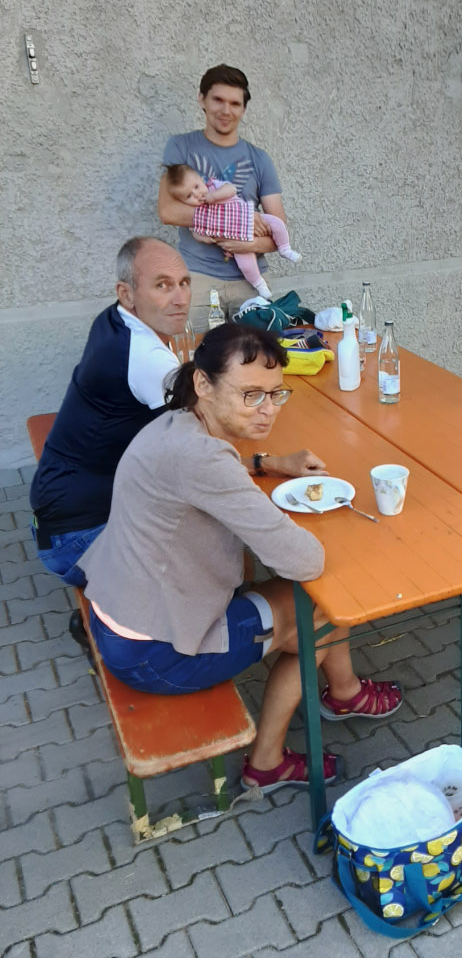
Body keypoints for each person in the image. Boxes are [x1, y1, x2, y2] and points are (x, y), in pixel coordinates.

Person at [78, 323, 403, 791]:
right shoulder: (202, 460)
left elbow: (211, 472)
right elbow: (304, 561)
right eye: (251, 395)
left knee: (306, 597)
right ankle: (268, 761)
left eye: (275, 394)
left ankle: (345, 691)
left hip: (123, 611)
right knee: (323, 607)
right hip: (156, 653)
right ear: (203, 383)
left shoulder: (175, 424)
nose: (268, 409)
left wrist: (266, 463)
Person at [29, 237, 186, 586]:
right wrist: (263, 461)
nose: (181, 298)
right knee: (213, 542)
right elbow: (196, 455)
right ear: (126, 293)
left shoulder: (113, 320)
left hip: (56, 514)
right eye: (162, 285)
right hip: (78, 539)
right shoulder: (147, 357)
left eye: (184, 283)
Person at [158, 64, 298, 328]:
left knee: (253, 354)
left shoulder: (260, 159)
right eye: (218, 100)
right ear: (202, 100)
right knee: (195, 353)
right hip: (197, 278)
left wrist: (249, 245)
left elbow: (278, 229)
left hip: (251, 283)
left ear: (243, 109)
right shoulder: (181, 147)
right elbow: (168, 211)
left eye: (234, 103)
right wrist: (241, 219)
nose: (226, 110)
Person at [163, 163, 301, 301]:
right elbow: (195, 232)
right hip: (237, 241)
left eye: (197, 186)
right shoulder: (196, 212)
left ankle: (285, 248)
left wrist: (214, 196)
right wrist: (206, 239)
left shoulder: (213, 186)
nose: (197, 194)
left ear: (201, 179)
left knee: (277, 224)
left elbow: (231, 189)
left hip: (249, 218)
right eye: (189, 196)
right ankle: (259, 285)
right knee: (247, 266)